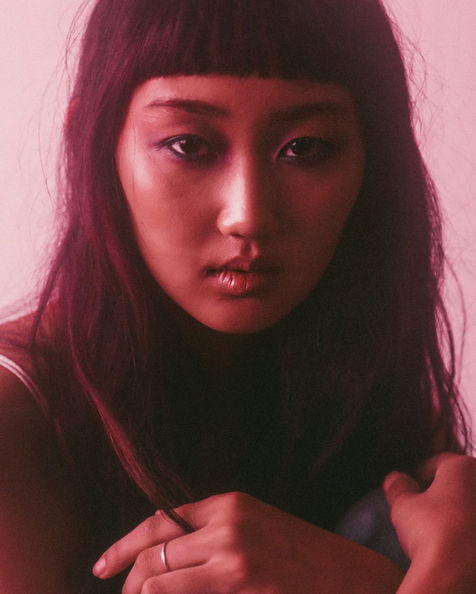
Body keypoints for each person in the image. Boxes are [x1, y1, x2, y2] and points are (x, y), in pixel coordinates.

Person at [0, 0, 475, 592]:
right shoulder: (15, 421)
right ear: (92, 143)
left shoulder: (373, 393)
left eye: (306, 148)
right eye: (188, 145)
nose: (247, 215)